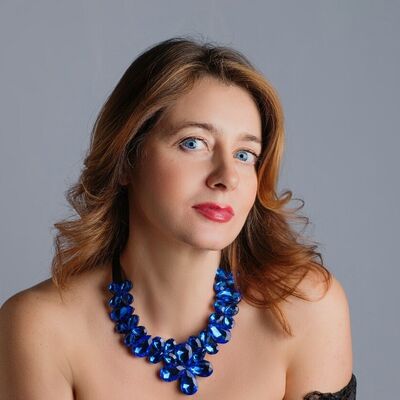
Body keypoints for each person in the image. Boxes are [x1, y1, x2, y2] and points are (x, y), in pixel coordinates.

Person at [0, 36, 356, 399]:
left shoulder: (308, 309)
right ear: (126, 160)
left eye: (245, 154)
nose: (227, 177)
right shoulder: (42, 328)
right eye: (193, 143)